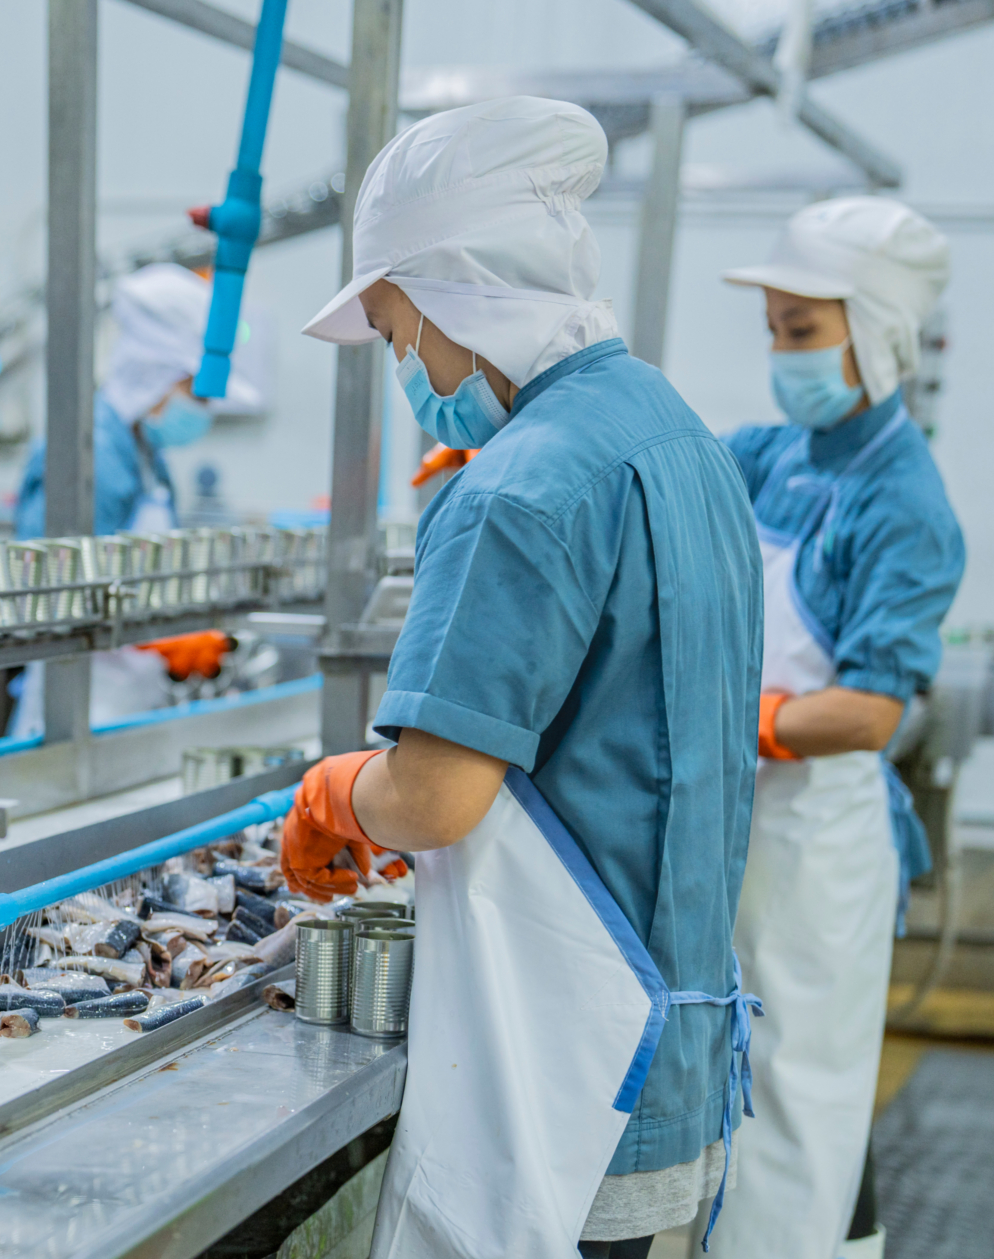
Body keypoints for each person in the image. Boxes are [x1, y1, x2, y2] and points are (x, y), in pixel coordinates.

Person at [282, 98, 764, 1259]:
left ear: (458, 293)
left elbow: (436, 799)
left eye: (401, 335)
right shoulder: (673, 434)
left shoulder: (515, 489)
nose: (410, 369)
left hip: (568, 1078)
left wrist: (336, 790)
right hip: (675, 1041)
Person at [698, 197, 964, 1259]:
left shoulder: (903, 500)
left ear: (875, 334)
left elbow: (867, 709)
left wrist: (751, 721)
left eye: (798, 331)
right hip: (744, 830)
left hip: (816, 847)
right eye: (770, 328)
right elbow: (663, 489)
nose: (779, 353)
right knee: (738, 1095)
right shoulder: (773, 454)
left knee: (794, 1105)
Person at [9, 263, 230, 735]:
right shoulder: (86, 450)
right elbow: (41, 587)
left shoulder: (147, 452)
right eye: (195, 390)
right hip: (73, 705)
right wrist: (160, 639)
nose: (203, 408)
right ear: (156, 373)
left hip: (128, 701)